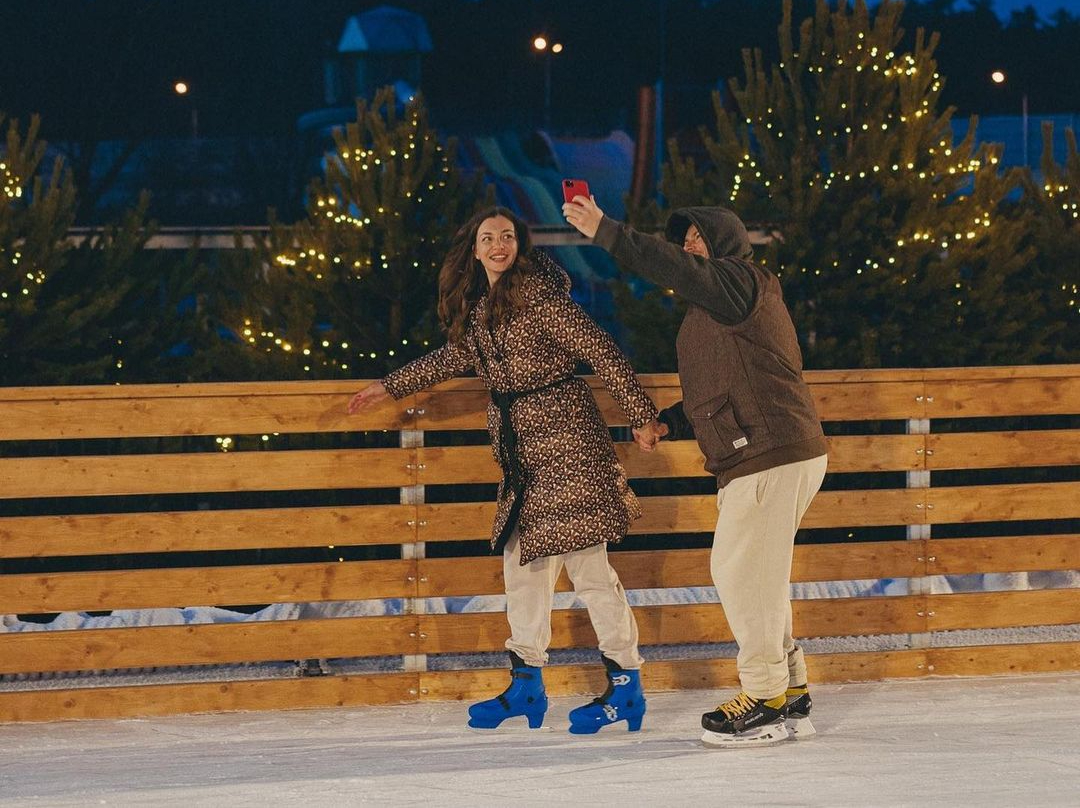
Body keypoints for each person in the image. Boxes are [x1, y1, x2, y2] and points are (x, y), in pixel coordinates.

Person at [348, 206, 665, 734]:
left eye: (508, 237)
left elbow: (602, 350)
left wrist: (641, 416)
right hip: (525, 459)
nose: (499, 245)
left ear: (520, 245)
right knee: (522, 569)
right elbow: (453, 358)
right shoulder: (483, 312)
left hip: (570, 445)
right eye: (488, 238)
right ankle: (526, 683)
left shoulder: (540, 299)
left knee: (589, 572)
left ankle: (626, 686)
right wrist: (391, 384)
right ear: (474, 250)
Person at [564, 196, 828, 747]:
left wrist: (606, 230)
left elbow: (673, 268)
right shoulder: (719, 307)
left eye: (695, 238)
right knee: (761, 575)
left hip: (769, 452)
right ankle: (791, 689)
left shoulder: (737, 281)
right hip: (767, 450)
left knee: (737, 572)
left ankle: (765, 699)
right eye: (683, 239)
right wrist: (668, 422)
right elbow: (724, 387)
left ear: (725, 242)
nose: (687, 247)